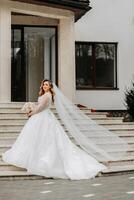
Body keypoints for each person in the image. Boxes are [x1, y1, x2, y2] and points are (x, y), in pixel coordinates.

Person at [2, 79, 128, 180]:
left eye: (47, 85)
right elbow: (40, 107)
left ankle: (43, 163)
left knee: (44, 141)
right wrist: (32, 108)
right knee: (38, 140)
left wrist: (31, 112)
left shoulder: (47, 95)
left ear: (50, 87)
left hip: (43, 118)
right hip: (43, 118)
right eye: (44, 84)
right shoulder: (46, 94)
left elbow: (40, 108)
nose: (45, 86)